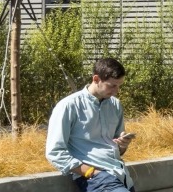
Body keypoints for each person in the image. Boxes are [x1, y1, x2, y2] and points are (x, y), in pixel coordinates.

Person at [46, 57, 135, 191]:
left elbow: (118, 149)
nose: (117, 91)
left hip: (120, 175)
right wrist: (90, 172)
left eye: (119, 86)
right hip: (95, 178)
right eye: (112, 85)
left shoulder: (115, 105)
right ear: (96, 79)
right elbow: (54, 151)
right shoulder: (68, 106)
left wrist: (122, 145)